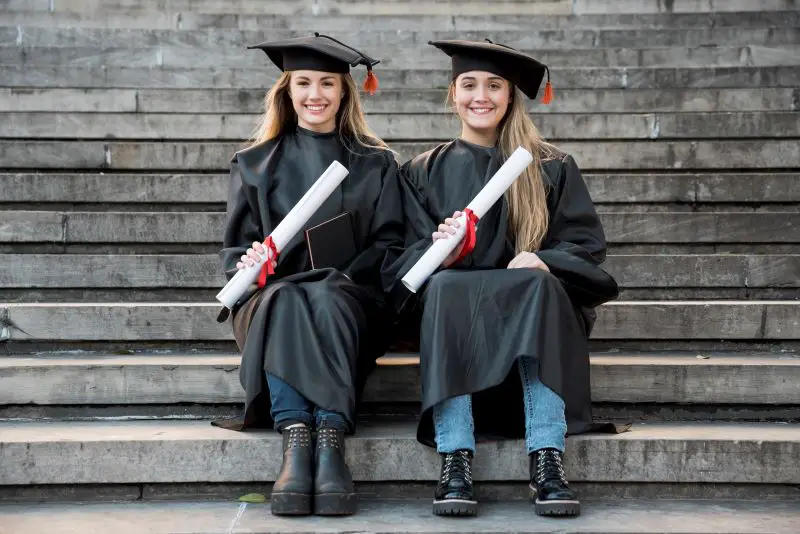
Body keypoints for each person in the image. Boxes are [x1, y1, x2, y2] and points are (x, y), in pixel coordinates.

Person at [383, 39, 620, 518]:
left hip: (532, 320)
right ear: (452, 93)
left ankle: (547, 458)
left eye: (494, 85)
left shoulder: (550, 166)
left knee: (537, 283)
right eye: (469, 85)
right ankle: (455, 456)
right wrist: (438, 252)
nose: (481, 96)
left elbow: (585, 247)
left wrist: (546, 261)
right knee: (448, 287)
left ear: (511, 95)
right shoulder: (421, 172)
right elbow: (396, 265)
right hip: (457, 323)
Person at [216, 33, 404, 517]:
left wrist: (336, 270)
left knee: (323, 294)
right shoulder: (254, 164)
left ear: (344, 93)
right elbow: (236, 249)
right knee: (288, 298)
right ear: (287, 90)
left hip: (349, 300)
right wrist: (251, 262)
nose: (315, 93)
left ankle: (326, 437)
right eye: (303, 82)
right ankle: (302, 440)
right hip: (270, 301)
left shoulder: (375, 163)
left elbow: (390, 247)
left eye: (327, 83)